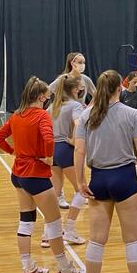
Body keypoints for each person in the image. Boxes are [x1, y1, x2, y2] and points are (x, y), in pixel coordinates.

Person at [0, 77, 86, 273]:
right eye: (47, 95)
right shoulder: (42, 115)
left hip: (18, 175)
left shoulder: (17, 115)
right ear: (42, 96)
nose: (48, 98)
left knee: (26, 222)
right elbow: (48, 138)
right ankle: (65, 269)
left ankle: (28, 269)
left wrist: (13, 151)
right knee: (53, 223)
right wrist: (49, 157)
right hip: (36, 174)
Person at [74, 70, 137, 273]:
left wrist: (80, 181)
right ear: (120, 87)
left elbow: (79, 151)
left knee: (96, 240)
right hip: (125, 179)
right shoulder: (132, 114)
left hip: (98, 178)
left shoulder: (87, 116)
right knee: (132, 240)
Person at [49, 52, 97, 208]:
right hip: (65, 129)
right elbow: (47, 91)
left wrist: (87, 109)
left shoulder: (86, 80)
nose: (82, 64)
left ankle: (60, 200)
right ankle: (68, 200)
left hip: (71, 124)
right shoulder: (63, 80)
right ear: (71, 62)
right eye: (79, 61)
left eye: (84, 61)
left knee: (60, 168)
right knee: (75, 179)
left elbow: (96, 96)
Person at [45, 74, 87, 247]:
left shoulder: (52, 106)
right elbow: (78, 124)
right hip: (66, 149)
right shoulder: (75, 105)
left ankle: (48, 234)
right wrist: (75, 140)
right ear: (75, 89)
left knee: (54, 193)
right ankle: (69, 230)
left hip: (53, 151)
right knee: (81, 190)